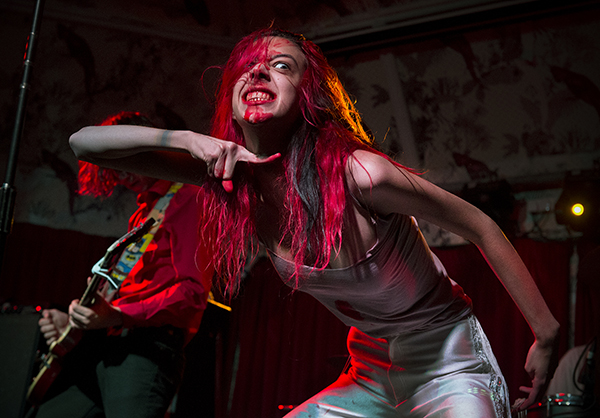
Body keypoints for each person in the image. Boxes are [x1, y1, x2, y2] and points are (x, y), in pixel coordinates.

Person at [69, 29, 560, 417]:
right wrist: (184, 139)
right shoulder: (227, 177)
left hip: (448, 363)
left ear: (307, 95)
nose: (258, 72)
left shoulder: (363, 174)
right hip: (369, 371)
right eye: (246, 67)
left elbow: (480, 226)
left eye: (280, 66)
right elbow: (83, 143)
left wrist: (546, 334)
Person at [29, 111, 214, 418]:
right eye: (115, 167)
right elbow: (118, 294)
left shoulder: (189, 199)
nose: (122, 175)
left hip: (146, 350)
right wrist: (76, 324)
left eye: (127, 162)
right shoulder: (144, 211)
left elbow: (193, 293)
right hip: (107, 344)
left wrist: (116, 315)